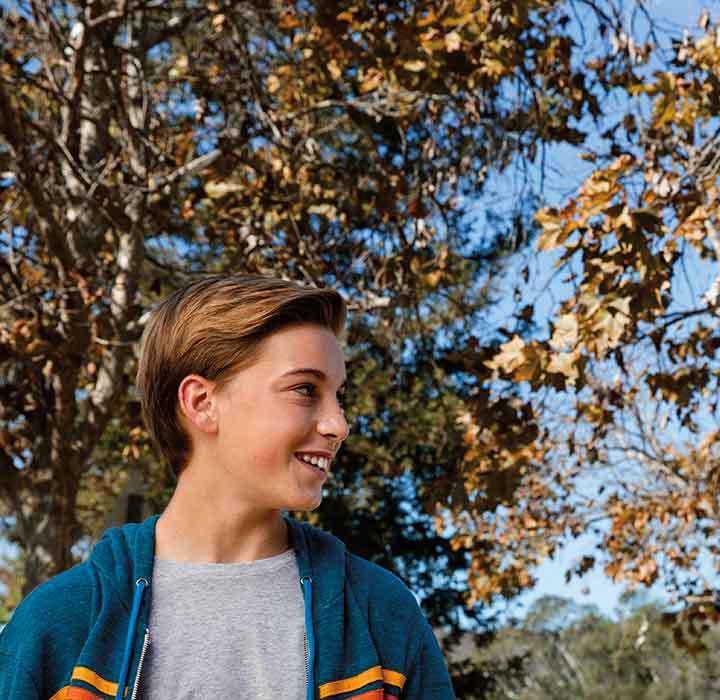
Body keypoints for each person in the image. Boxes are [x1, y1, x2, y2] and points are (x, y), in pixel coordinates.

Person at [0, 275, 456, 700]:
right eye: (304, 389)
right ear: (202, 403)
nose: (339, 424)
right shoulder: (58, 627)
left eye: (339, 395)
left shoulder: (382, 616)